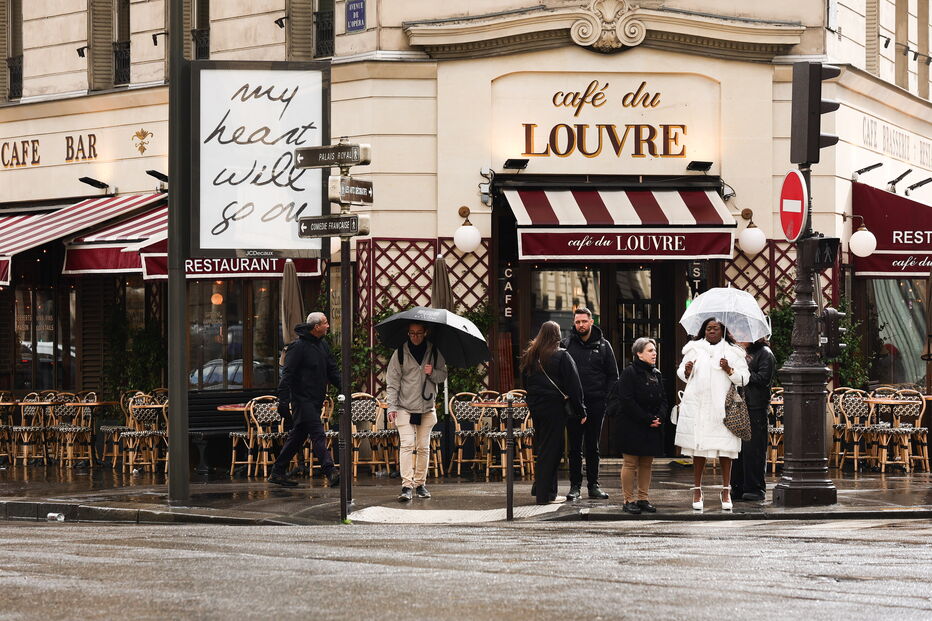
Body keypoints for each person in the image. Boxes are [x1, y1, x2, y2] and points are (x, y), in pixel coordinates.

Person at [675, 318, 749, 511]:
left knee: (726, 451)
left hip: (723, 407)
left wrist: (729, 369)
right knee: (699, 450)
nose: (711, 331)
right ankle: (697, 489)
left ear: (723, 330)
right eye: (708, 328)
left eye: (716, 328)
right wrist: (687, 370)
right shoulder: (693, 349)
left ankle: (726, 490)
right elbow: (681, 372)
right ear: (703, 331)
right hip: (699, 406)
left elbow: (744, 379)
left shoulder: (733, 351)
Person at [268, 312, 341, 488]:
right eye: (325, 323)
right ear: (316, 327)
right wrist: (283, 401)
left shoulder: (323, 345)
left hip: (316, 399)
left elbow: (332, 370)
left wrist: (345, 388)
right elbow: (287, 375)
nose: (328, 325)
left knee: (298, 436)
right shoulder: (297, 347)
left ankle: (277, 471)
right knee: (317, 433)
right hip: (302, 400)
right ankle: (330, 470)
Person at [521, 321, 587, 505]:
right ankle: (544, 495)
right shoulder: (562, 356)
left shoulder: (531, 356)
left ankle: (547, 491)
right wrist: (581, 410)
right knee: (553, 450)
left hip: (536, 408)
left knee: (543, 448)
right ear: (557, 335)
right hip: (555, 408)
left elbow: (525, 384)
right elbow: (575, 386)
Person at [561, 307, 618, 500]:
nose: (580, 325)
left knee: (592, 447)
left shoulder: (604, 346)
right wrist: (565, 396)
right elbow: (559, 374)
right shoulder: (566, 344)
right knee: (574, 448)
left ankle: (593, 485)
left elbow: (613, 376)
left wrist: (605, 398)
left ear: (591, 322)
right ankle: (575, 486)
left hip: (595, 404)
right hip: (574, 404)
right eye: (577, 322)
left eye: (584, 321)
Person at [386, 322, 447, 502]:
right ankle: (406, 486)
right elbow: (392, 382)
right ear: (408, 333)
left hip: (427, 407)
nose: (415, 336)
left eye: (419, 333)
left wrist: (432, 372)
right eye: (412, 333)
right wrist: (392, 407)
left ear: (425, 333)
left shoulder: (434, 352)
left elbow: (443, 375)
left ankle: (420, 484)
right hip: (405, 407)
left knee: (423, 447)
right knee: (407, 445)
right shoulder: (399, 354)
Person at [615, 337, 666, 514]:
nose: (655, 353)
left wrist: (659, 416)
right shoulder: (629, 373)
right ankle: (628, 500)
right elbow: (626, 401)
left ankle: (643, 498)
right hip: (632, 424)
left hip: (651, 424)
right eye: (650, 350)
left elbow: (664, 400)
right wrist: (646, 418)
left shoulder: (656, 373)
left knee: (647, 463)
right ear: (639, 353)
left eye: (655, 350)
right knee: (630, 463)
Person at [731, 337, 776, 502]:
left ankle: (755, 488)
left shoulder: (765, 354)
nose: (739, 339)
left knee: (754, 450)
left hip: (756, 407)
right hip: (740, 406)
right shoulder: (741, 354)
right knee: (738, 450)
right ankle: (737, 487)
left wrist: (743, 374)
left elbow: (764, 379)